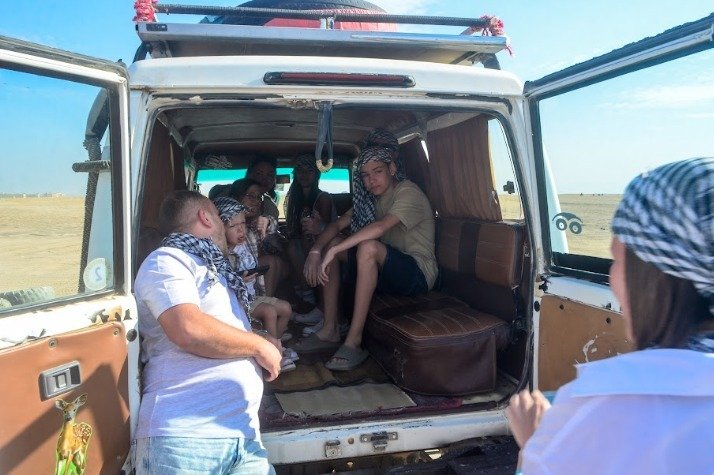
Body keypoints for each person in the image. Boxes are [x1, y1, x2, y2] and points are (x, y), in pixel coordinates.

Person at [506, 157, 714, 474]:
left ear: (653, 277)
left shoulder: (601, 414)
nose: (611, 277)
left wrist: (535, 441)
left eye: (616, 259)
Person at [133, 190, 282, 474]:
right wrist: (259, 346)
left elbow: (224, 333)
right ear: (205, 217)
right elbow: (187, 328)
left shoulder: (215, 269)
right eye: (219, 217)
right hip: (185, 441)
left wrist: (262, 341)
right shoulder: (167, 260)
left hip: (244, 438)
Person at [298, 133, 438, 371]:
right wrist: (316, 250)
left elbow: (380, 227)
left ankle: (353, 342)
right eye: (365, 175)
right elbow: (337, 225)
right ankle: (330, 329)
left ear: (392, 169)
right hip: (388, 271)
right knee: (334, 244)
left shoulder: (408, 192)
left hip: (418, 275)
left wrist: (338, 248)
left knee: (367, 247)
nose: (371, 180)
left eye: (378, 171)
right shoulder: (369, 200)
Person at [213, 196, 297, 371]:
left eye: (243, 223)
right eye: (233, 226)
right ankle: (273, 356)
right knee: (269, 312)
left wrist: (266, 221)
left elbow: (272, 228)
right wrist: (238, 280)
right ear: (220, 229)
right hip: (238, 301)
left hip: (254, 296)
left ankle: (276, 344)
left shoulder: (249, 239)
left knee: (286, 308)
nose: (240, 230)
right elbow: (218, 281)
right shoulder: (219, 252)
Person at [284, 154, 336, 328]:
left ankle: (312, 302)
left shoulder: (323, 198)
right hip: (306, 242)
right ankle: (305, 298)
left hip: (323, 243)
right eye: (300, 171)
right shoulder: (296, 199)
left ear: (316, 175)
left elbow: (324, 228)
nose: (304, 175)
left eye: (309, 171)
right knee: (290, 245)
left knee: (297, 246)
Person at [231, 177, 287, 297]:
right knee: (271, 261)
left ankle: (267, 300)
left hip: (251, 268)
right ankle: (267, 300)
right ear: (237, 197)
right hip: (235, 272)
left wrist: (267, 220)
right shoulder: (227, 223)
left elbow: (272, 227)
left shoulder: (254, 223)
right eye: (251, 196)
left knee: (276, 261)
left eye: (258, 197)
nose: (256, 201)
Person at [246, 155, 280, 220]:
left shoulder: (270, 207)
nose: (264, 179)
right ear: (249, 175)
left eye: (269, 175)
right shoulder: (233, 194)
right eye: (259, 174)